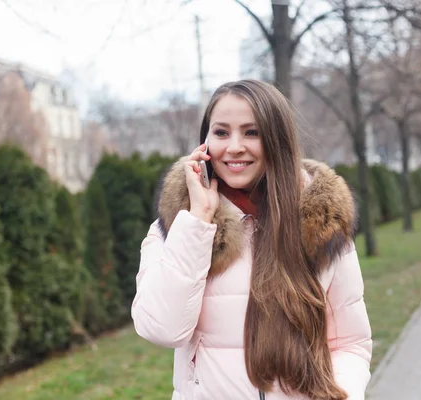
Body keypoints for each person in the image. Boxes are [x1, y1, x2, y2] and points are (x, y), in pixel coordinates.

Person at [131, 80, 372, 400]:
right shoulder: (177, 227)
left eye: (251, 132)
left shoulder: (322, 225)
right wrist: (198, 219)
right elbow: (161, 328)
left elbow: (350, 344)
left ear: (277, 140)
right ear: (203, 144)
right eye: (220, 132)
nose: (234, 147)